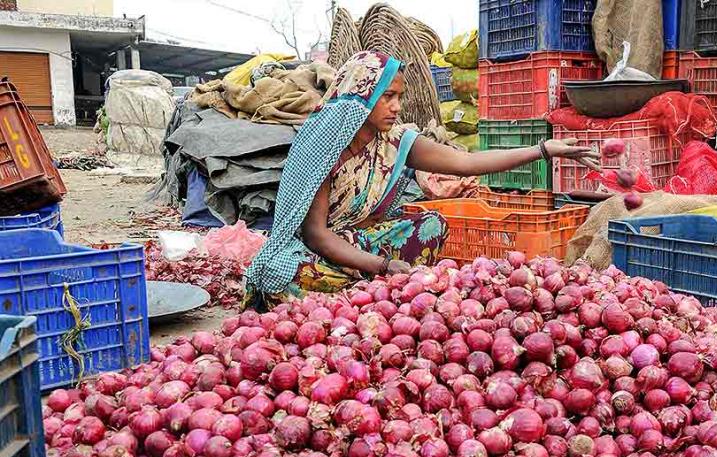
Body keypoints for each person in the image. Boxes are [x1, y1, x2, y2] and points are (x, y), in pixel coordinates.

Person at [245, 51, 600, 307]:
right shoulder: (326, 141)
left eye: (399, 96)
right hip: (313, 251)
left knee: (430, 224)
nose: (397, 106)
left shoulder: (398, 141)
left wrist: (544, 150)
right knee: (280, 271)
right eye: (388, 96)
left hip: (355, 242)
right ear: (362, 94)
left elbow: (468, 162)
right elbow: (315, 234)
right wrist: (382, 266)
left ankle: (368, 291)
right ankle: (368, 288)